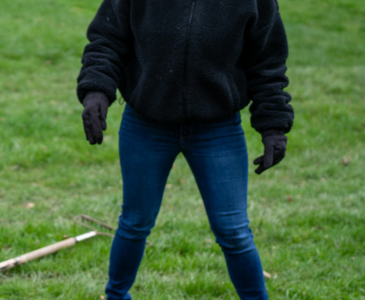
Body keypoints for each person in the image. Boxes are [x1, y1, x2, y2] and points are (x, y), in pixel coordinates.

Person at [77, 1, 293, 299]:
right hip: (146, 124)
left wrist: (274, 126)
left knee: (234, 232)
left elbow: (267, 61)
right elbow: (108, 38)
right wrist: (96, 90)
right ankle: (116, 296)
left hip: (218, 128)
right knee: (134, 222)